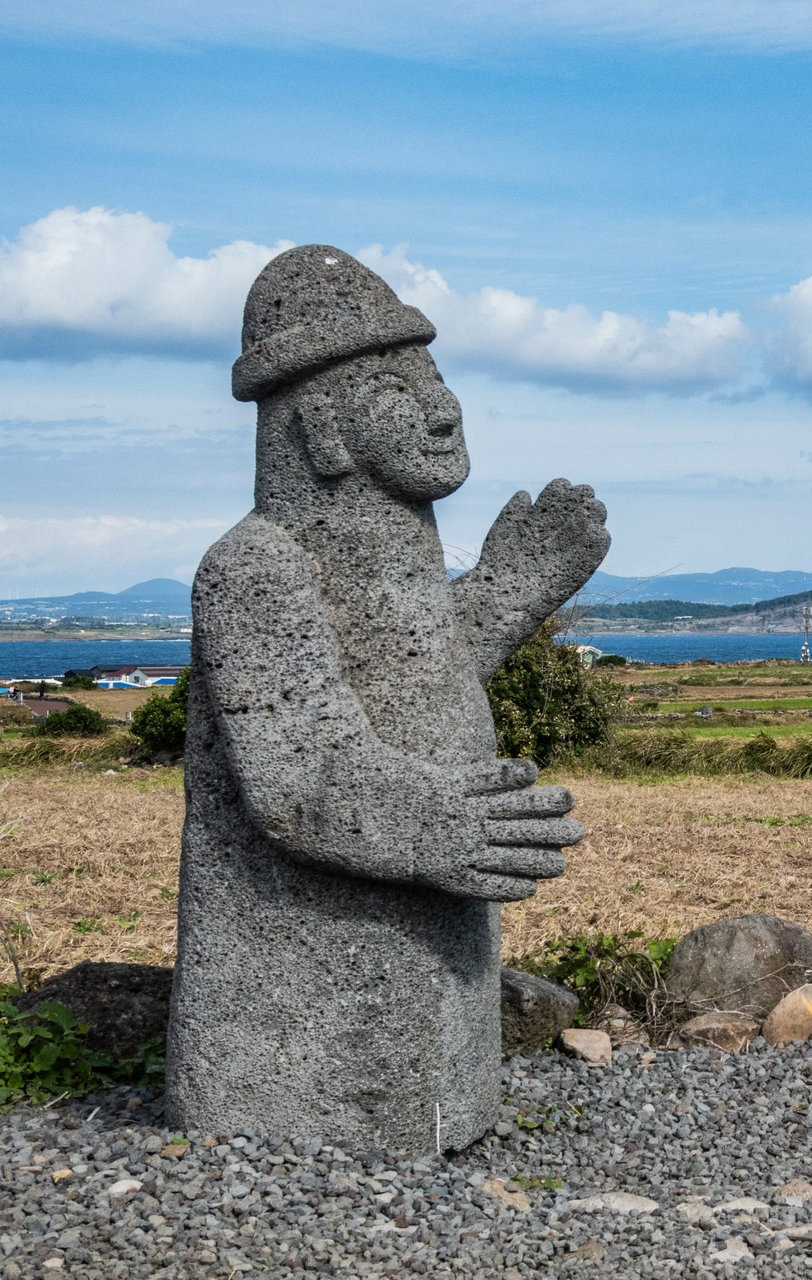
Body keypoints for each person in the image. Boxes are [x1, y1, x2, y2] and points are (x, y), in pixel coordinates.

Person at [169, 245, 610, 1149]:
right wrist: (433, 824)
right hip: (305, 1021)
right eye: (396, 392)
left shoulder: (377, 564)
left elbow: (412, 677)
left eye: (436, 377)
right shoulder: (255, 566)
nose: (444, 409)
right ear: (320, 430)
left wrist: (507, 592)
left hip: (426, 959)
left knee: (436, 1048)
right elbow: (300, 770)